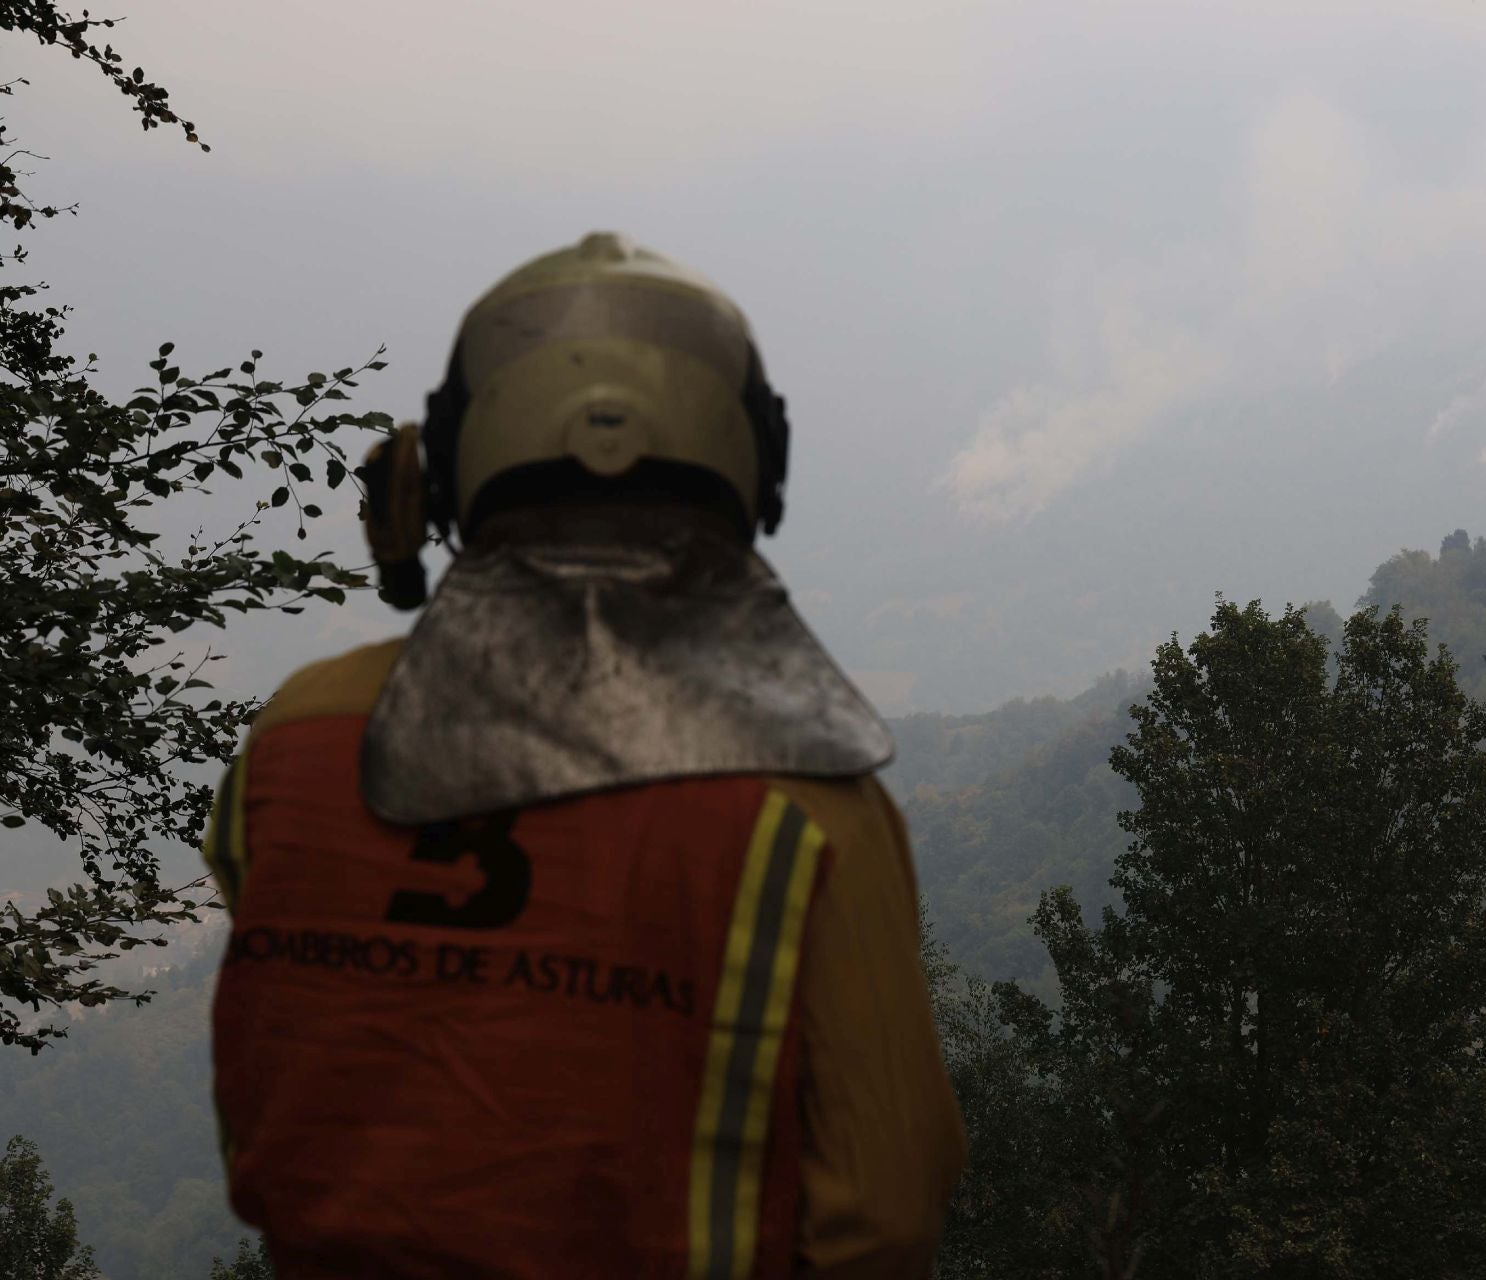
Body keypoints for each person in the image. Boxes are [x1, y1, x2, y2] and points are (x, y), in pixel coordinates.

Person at [201, 233, 966, 1279]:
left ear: (430, 478)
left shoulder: (298, 739)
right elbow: (882, 1213)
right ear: (756, 472)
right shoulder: (806, 807)